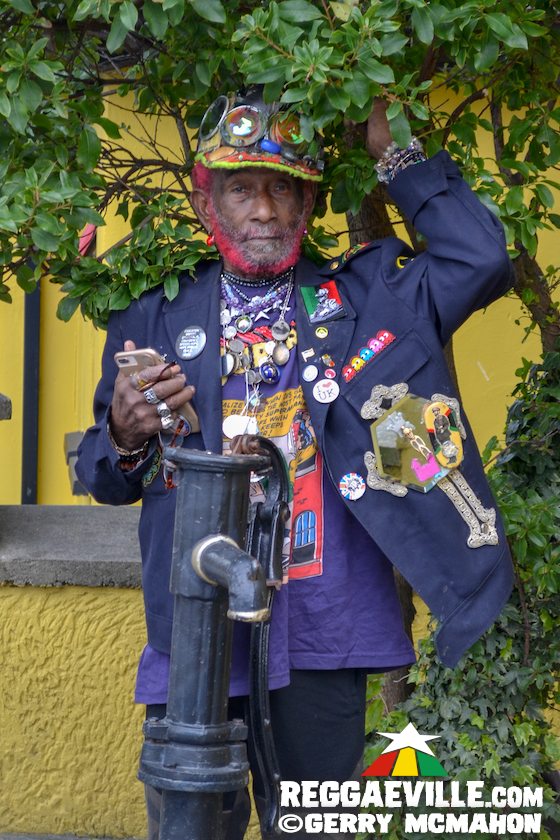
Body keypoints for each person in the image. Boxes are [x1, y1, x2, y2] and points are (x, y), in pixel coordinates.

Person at [76, 87, 514, 839]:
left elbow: (479, 258)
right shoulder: (156, 312)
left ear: (309, 203)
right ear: (206, 199)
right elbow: (105, 477)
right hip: (197, 628)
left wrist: (395, 154)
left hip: (325, 625)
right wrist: (125, 430)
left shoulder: (364, 296)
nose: (266, 212)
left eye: (284, 189)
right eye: (242, 188)